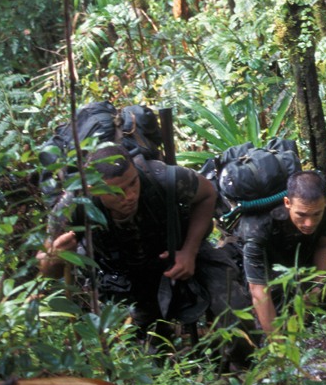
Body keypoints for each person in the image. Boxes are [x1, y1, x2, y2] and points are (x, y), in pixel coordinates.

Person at [39, 144, 247, 343]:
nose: (130, 196)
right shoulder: (73, 206)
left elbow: (207, 194)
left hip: (180, 254)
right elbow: (48, 271)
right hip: (126, 278)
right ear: (94, 189)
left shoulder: (161, 177)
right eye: (117, 192)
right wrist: (56, 256)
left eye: (132, 183)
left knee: (236, 313)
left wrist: (189, 251)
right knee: (141, 346)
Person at [239, 170, 326, 337]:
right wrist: (276, 342)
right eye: (301, 214)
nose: (309, 223)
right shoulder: (257, 227)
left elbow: (324, 246)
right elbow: (258, 291)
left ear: (325, 203)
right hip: (266, 264)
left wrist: (316, 289)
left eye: (316, 214)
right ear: (287, 202)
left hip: (299, 255)